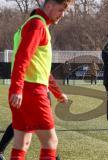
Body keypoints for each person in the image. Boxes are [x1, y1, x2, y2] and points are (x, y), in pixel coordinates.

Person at [8, 0, 73, 159]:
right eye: (60, 10)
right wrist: (18, 88)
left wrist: (57, 93)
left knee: (22, 142)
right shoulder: (38, 25)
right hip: (32, 92)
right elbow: (22, 58)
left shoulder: (33, 24)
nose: (62, 15)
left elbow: (40, 68)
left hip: (24, 90)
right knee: (50, 142)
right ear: (49, 5)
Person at [0, 75, 67, 160]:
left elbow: (45, 73)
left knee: (22, 127)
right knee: (45, 132)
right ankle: (52, 156)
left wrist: (58, 93)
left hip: (35, 92)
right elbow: (46, 74)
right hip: (36, 93)